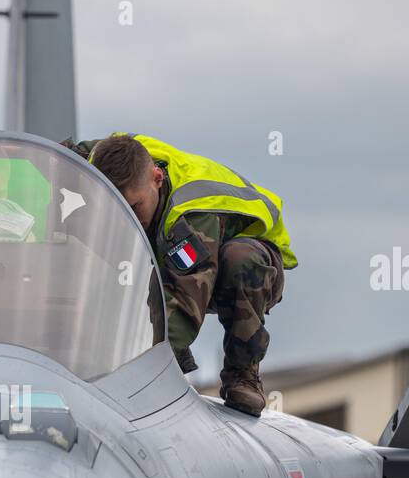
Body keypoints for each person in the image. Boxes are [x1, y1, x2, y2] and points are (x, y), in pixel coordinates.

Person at [63, 133, 296, 416]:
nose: (130, 217)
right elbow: (66, 157)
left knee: (239, 258)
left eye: (135, 207)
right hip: (175, 253)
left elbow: (186, 300)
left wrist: (137, 378)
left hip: (252, 264)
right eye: (121, 208)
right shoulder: (108, 157)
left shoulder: (193, 216)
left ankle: (242, 374)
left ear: (157, 179)